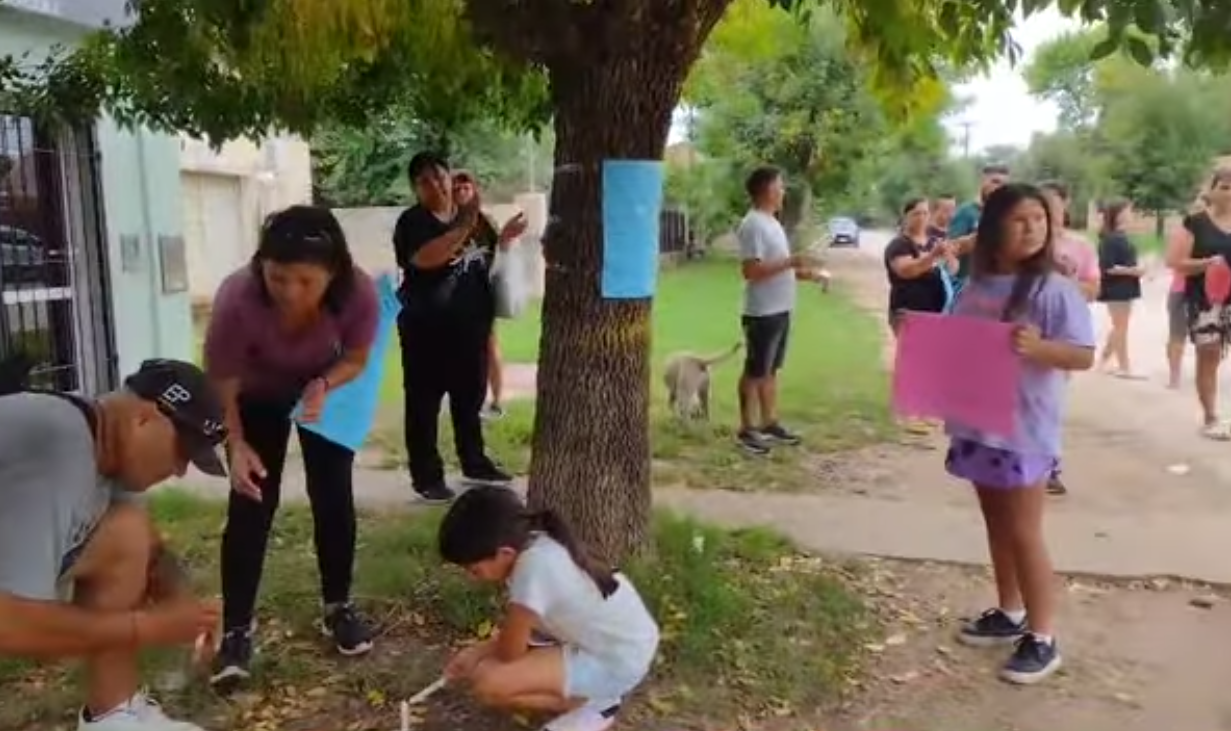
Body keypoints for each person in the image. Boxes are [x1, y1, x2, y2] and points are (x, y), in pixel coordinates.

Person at [0, 357, 229, 731]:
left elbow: (146, 545)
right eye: (181, 451)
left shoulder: (97, 438)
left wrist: (180, 597)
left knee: (127, 532)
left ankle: (113, 718)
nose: (179, 470)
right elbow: (8, 624)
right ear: (144, 418)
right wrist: (145, 628)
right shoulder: (57, 446)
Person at [204, 205, 380, 686]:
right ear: (261, 265)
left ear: (333, 273)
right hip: (256, 393)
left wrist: (324, 383)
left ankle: (338, 606)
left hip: (323, 385)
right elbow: (221, 380)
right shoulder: (238, 297)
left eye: (305, 281)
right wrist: (235, 443)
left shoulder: (357, 292)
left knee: (333, 493)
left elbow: (359, 357)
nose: (289, 292)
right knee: (251, 499)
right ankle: (237, 630)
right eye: (278, 277)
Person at [944, 183, 1094, 685]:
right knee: (996, 524)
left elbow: (1082, 355)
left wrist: (1039, 348)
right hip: (978, 424)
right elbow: (956, 345)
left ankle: (1044, 636)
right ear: (992, 230)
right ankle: (1009, 613)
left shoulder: (1054, 290)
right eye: (1019, 220)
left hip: (1025, 431)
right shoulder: (977, 287)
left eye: (1040, 219)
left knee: (1025, 532)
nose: (1032, 228)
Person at [437, 486, 660, 731]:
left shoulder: (533, 570)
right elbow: (531, 633)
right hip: (616, 643)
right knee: (486, 674)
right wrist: (477, 651)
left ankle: (596, 703)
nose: (473, 578)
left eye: (474, 570)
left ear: (504, 553)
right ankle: (589, 696)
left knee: (490, 682)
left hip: (618, 658)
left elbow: (509, 653)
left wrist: (479, 655)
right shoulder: (536, 544)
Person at [394, 153, 528, 503]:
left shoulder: (477, 220)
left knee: (470, 399)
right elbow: (425, 258)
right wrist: (462, 227)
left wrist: (506, 240)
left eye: (440, 176)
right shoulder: (413, 222)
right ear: (416, 189)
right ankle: (427, 476)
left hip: (471, 329)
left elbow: (488, 261)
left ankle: (475, 462)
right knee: (423, 406)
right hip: (425, 333)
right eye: (425, 181)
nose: (436, 185)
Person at [735, 165, 825, 456]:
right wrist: (791, 262)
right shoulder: (753, 224)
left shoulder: (773, 223)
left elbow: (778, 268)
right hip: (761, 312)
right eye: (780, 186)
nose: (784, 191)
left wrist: (809, 275)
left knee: (770, 370)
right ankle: (746, 428)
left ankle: (769, 422)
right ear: (767, 190)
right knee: (755, 370)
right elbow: (751, 271)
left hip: (781, 309)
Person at [1039, 180, 1099, 497]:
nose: (1048, 212)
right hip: (1029, 328)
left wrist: (1063, 286)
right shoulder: (1024, 243)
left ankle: (1049, 466)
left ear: (1065, 205)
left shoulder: (1080, 247)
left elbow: (1093, 289)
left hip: (1065, 331)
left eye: (1053, 204)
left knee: (1052, 397)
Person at [1166, 168, 1231, 440]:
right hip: (1206, 302)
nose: (1230, 193)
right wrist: (1207, 263)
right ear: (1212, 190)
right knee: (1209, 357)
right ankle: (1210, 417)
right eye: (1225, 187)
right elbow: (1175, 262)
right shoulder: (1194, 223)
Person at [451, 170, 510, 421]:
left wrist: (507, 240)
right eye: (457, 188)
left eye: (467, 187)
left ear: (474, 190)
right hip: (451, 296)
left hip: (480, 294)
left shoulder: (485, 223)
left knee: (489, 345)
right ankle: (466, 400)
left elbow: (501, 255)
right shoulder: (446, 223)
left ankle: (495, 401)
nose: (463, 191)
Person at [884, 197, 952, 335]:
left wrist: (950, 261)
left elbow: (952, 268)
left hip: (936, 313)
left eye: (925, 213)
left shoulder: (934, 242)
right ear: (906, 217)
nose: (921, 217)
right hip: (907, 315)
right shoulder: (899, 245)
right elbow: (907, 270)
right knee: (913, 355)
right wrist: (932, 256)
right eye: (916, 213)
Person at [1095, 199, 1145, 378]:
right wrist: (1135, 270)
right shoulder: (1111, 238)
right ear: (1119, 214)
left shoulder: (1120, 236)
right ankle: (1124, 366)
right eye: (1128, 211)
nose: (1131, 214)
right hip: (1116, 288)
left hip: (1125, 286)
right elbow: (1108, 267)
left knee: (1119, 327)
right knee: (1120, 328)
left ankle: (1103, 361)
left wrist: (1137, 270)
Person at [1165, 195, 1209, 390]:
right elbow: (1170, 261)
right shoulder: (1182, 233)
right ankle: (1174, 376)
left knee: (1208, 337)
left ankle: (1205, 376)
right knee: (1177, 335)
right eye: (1196, 208)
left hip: (1209, 292)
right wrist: (1204, 264)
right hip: (1182, 290)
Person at [948, 163, 1010, 290]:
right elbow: (951, 248)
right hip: (967, 286)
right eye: (995, 182)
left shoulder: (1008, 215)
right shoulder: (967, 212)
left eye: (1004, 185)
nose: (999, 188)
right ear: (983, 182)